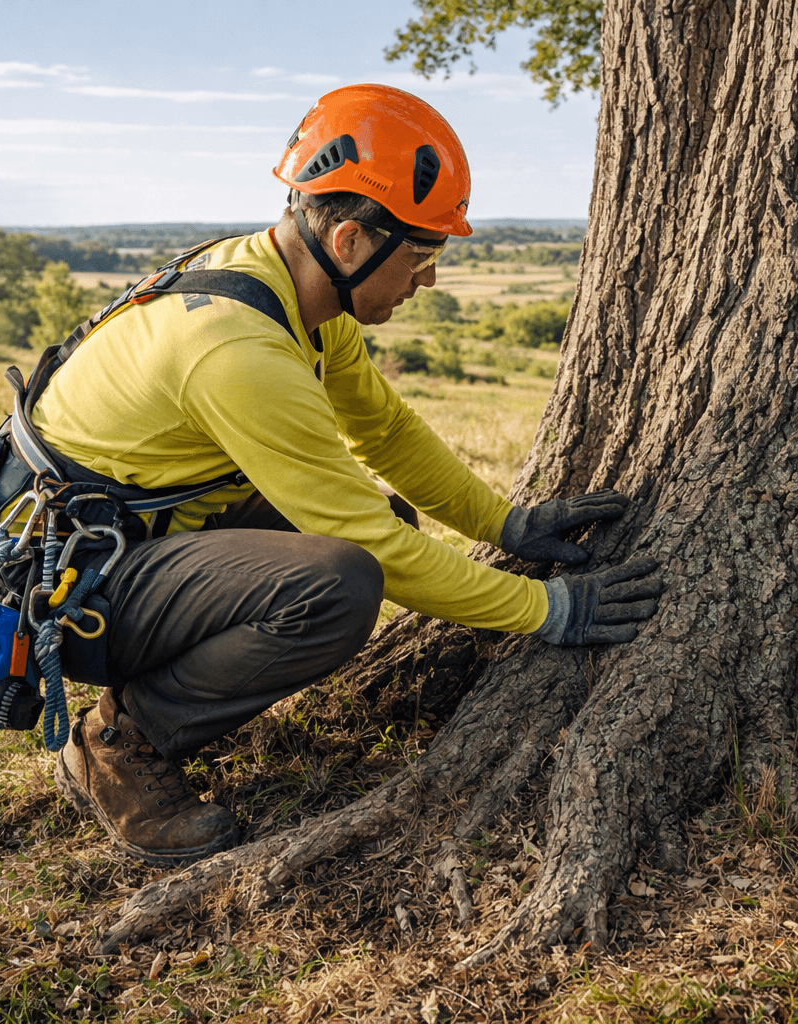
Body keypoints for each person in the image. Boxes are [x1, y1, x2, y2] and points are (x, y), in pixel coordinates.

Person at [38, 83, 664, 866]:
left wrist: (505, 525)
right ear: (348, 242)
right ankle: (119, 743)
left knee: (375, 535)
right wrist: (548, 609)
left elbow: (385, 431)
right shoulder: (240, 350)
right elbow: (373, 548)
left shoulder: (284, 292)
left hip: (129, 546)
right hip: (77, 593)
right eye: (422, 254)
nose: (428, 279)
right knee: (340, 580)